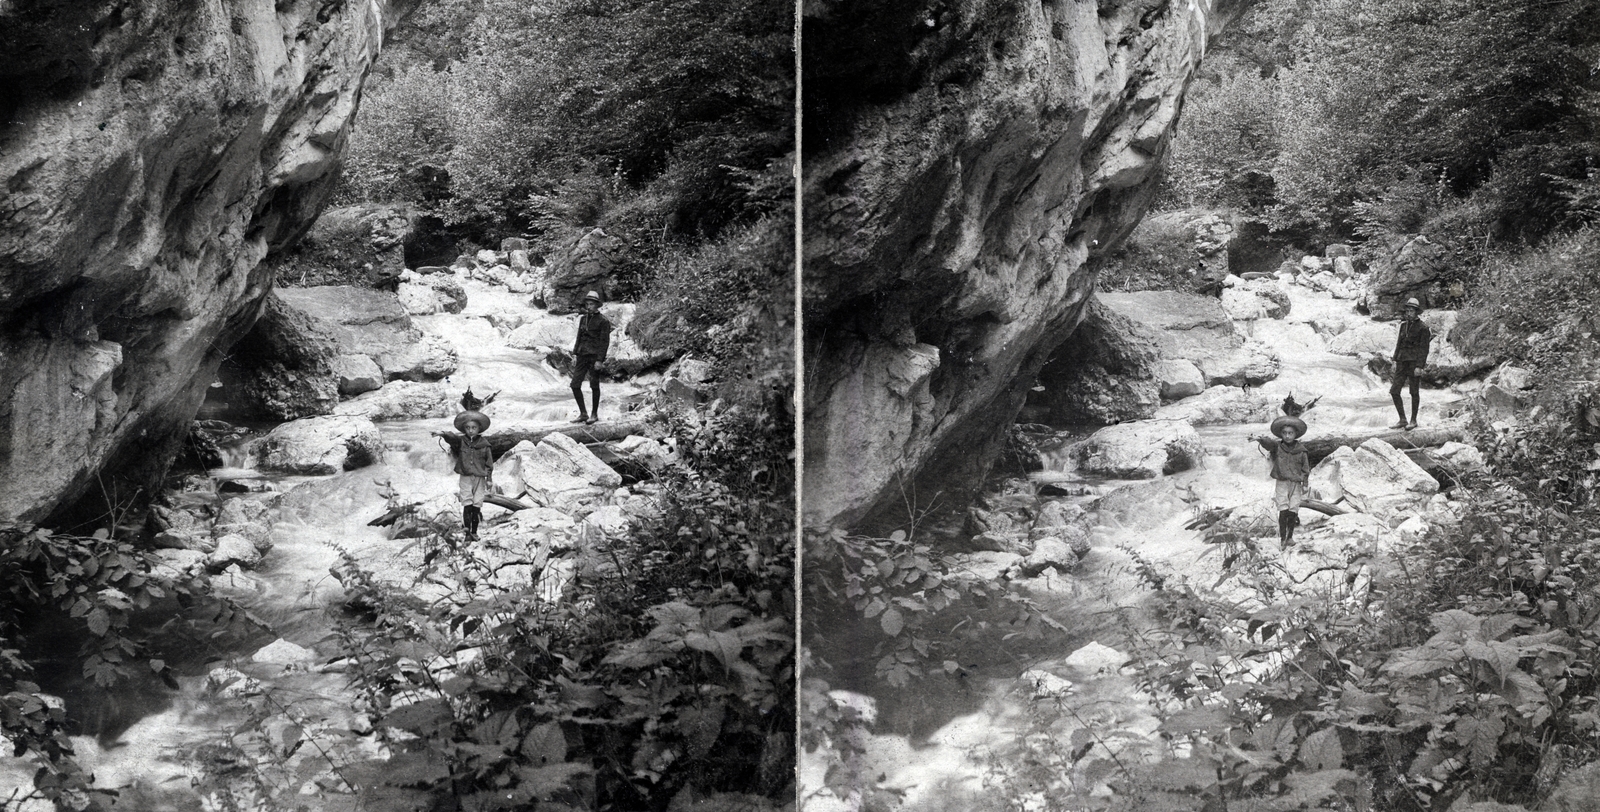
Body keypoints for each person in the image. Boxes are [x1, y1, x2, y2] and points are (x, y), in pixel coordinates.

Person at [432, 408, 494, 542]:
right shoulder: (461, 441)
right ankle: (467, 534)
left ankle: (474, 532)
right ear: (464, 429)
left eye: (474, 427)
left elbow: (489, 463)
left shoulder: (485, 445)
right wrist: (441, 433)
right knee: (467, 504)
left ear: (479, 429)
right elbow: (452, 437)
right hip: (465, 477)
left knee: (477, 505)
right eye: (468, 428)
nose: (471, 430)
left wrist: (489, 479)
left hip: (479, 478)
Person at [1251, 414, 1311, 546]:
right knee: (1283, 509)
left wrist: (1305, 484)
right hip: (1282, 482)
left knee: (1293, 509)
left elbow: (1306, 469)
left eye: (1290, 433)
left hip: (1296, 483)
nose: (1288, 436)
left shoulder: (1302, 451)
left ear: (1296, 434)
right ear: (1281, 435)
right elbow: (1269, 443)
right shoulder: (1278, 447)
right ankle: (1283, 538)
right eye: (1284, 433)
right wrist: (1260, 439)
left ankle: (1290, 537)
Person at [570, 290, 612, 425]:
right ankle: (583, 413)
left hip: (594, 357)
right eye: (587, 304)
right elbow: (579, 337)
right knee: (575, 384)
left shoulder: (603, 321)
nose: (589, 306)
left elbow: (604, 342)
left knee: (594, 385)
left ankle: (594, 414)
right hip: (582, 355)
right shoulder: (583, 319)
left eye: (591, 304)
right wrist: (575, 353)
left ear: (597, 305)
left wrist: (600, 360)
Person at [1390, 297, 1432, 430]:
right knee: (1394, 390)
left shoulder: (1423, 328)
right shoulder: (1403, 325)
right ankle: (1402, 419)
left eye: (1411, 311)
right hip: (1402, 362)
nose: (1408, 313)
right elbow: (1399, 344)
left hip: (1414, 364)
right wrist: (1395, 360)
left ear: (1416, 312)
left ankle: (1413, 420)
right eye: (1407, 310)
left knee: (1414, 392)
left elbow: (1424, 349)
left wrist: (1420, 366)